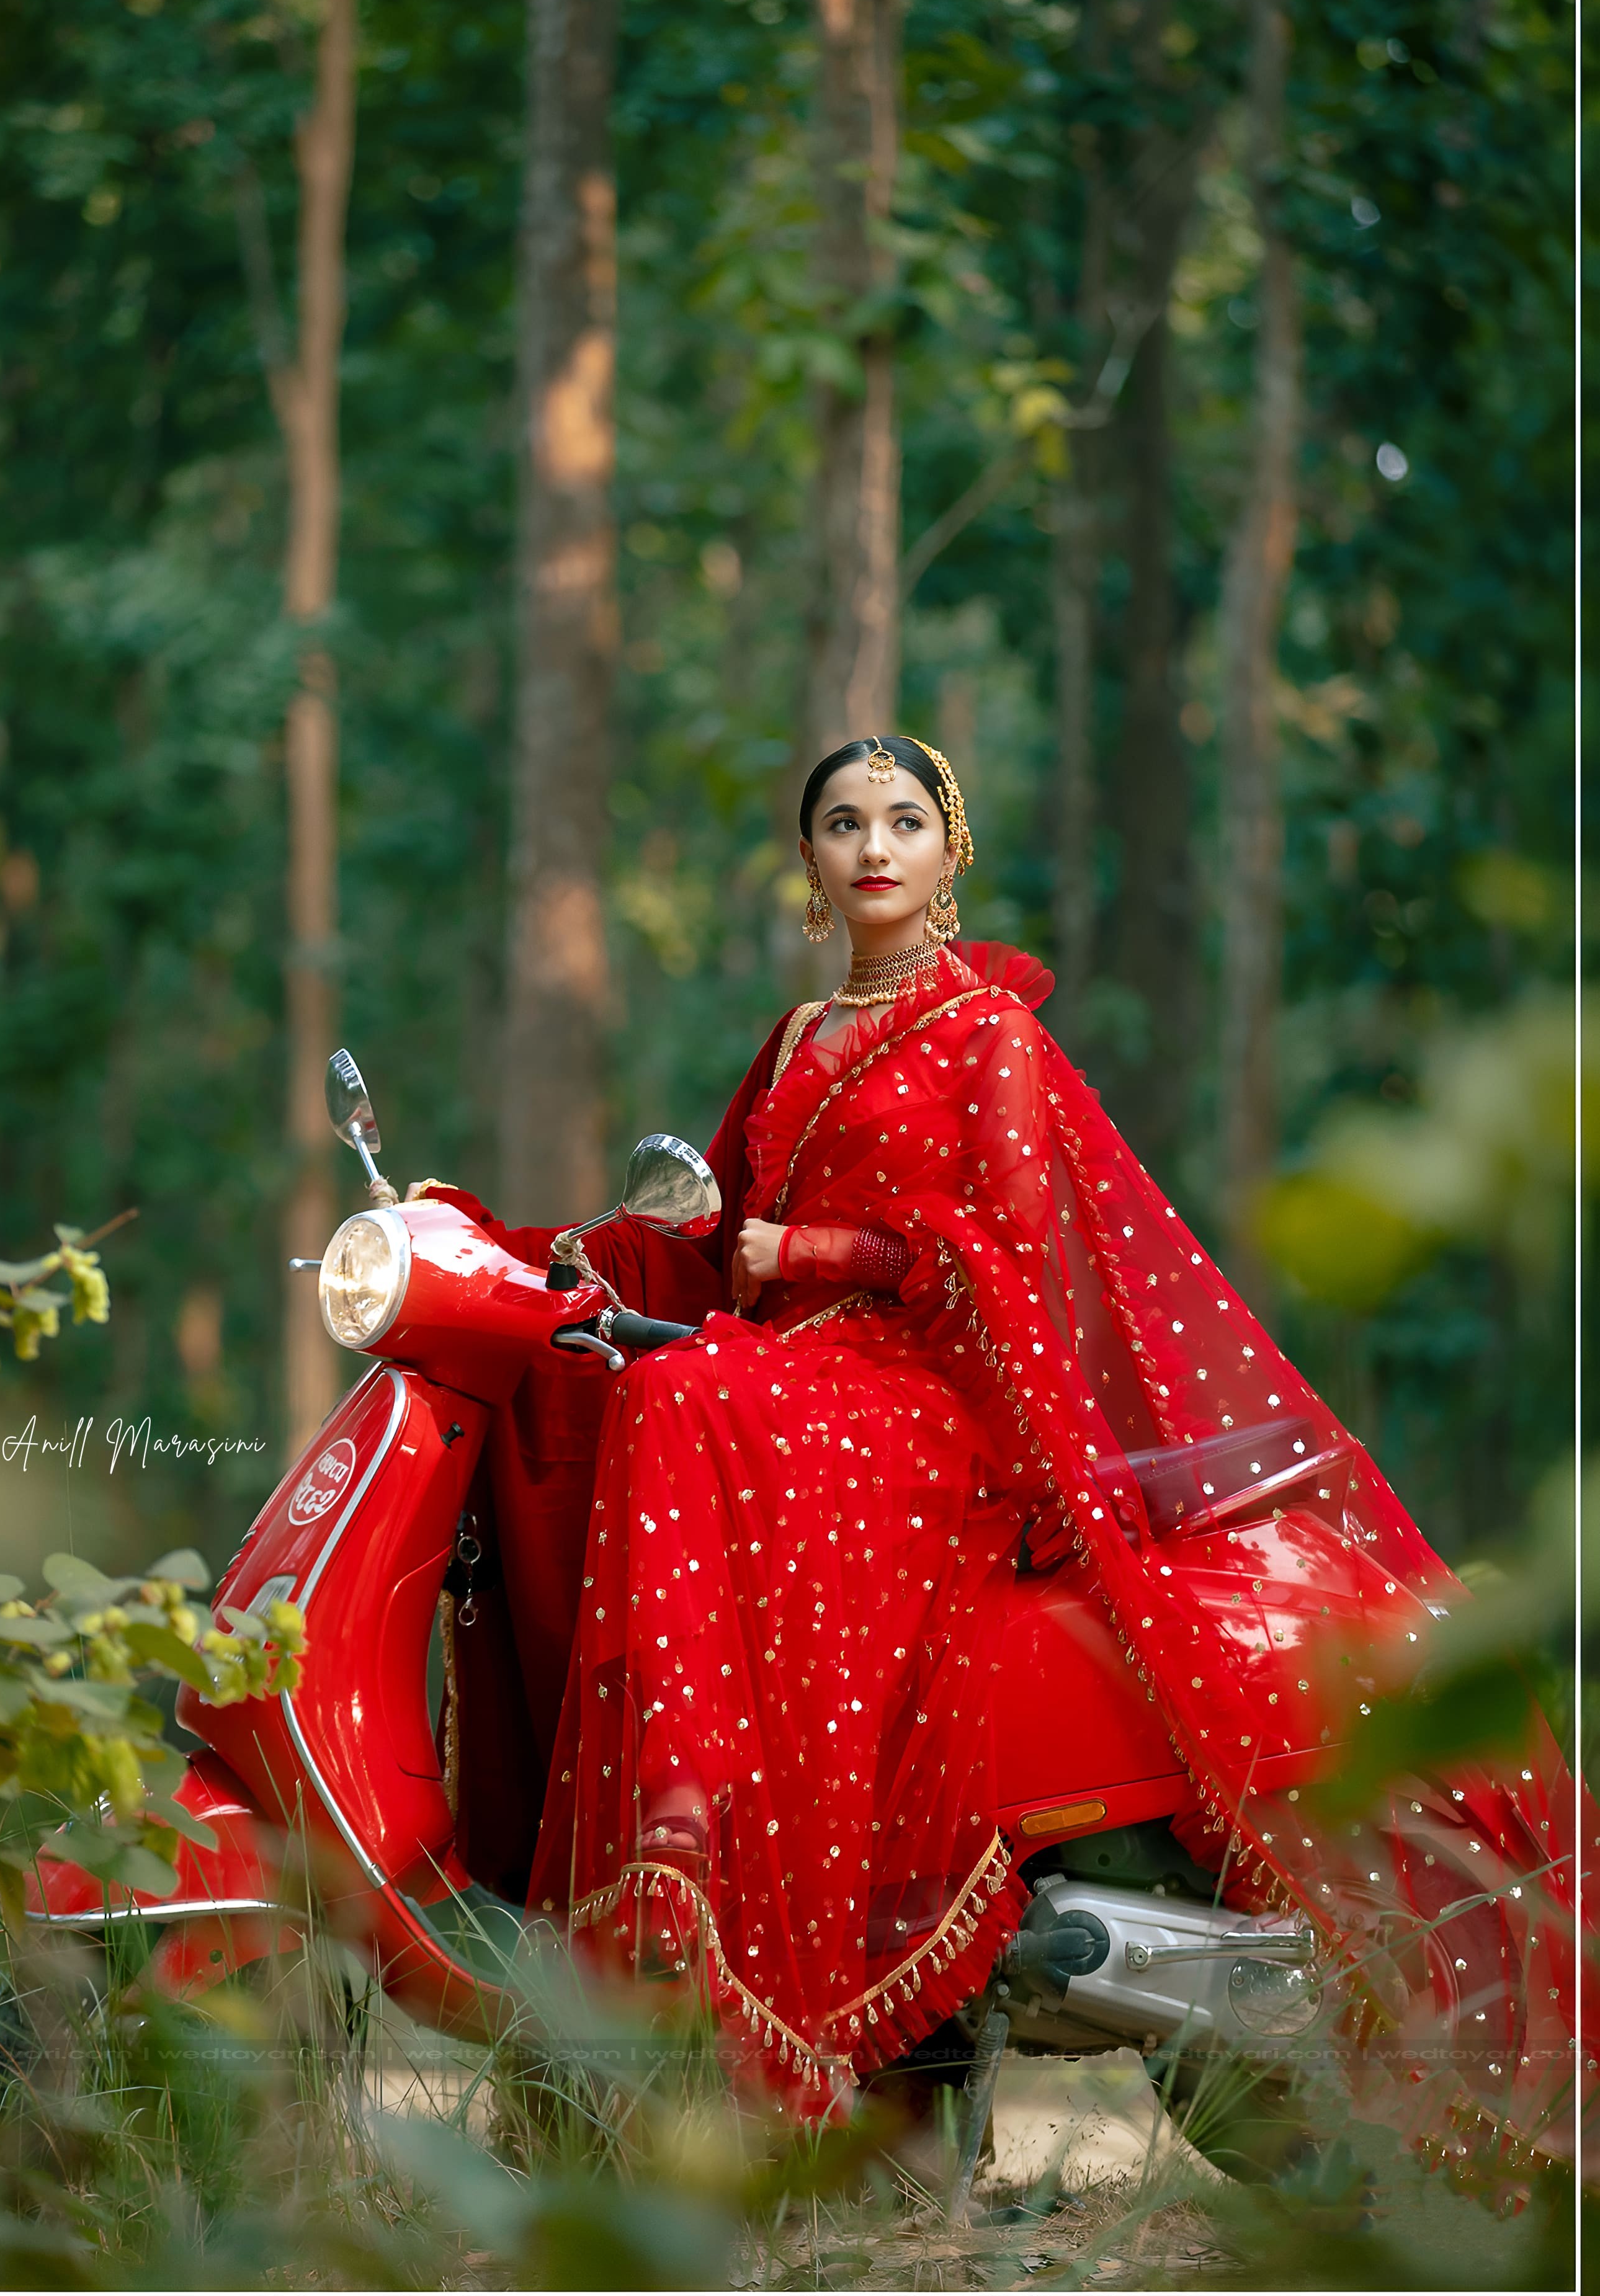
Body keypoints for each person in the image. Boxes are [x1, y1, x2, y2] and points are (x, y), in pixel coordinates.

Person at [450, 736, 1585, 2160]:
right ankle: (665, 1888)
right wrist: (519, 1252)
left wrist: (817, 1252)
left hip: (931, 1391)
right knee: (639, 1383)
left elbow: (1009, 1251)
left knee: (684, 1396)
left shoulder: (988, 1030)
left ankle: (683, 1827)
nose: (874, 846)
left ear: (950, 851)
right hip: (789, 1375)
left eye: (903, 820)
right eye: (843, 823)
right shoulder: (795, 1041)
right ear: (808, 863)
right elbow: (706, 1238)